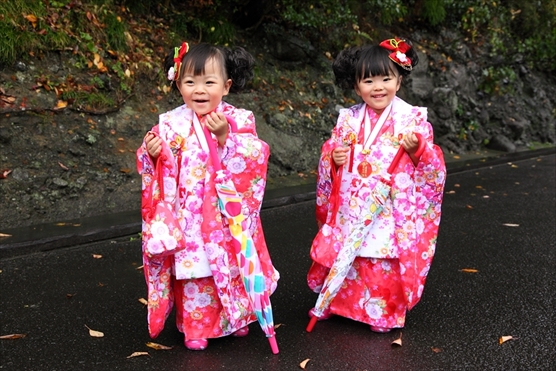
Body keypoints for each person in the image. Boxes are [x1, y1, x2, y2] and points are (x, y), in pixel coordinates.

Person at [136, 42, 279, 351]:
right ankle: (195, 327)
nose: (199, 90)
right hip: (188, 216)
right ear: (178, 84)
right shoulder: (170, 124)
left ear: (226, 86)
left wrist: (227, 137)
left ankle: (235, 320)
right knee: (196, 270)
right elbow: (147, 160)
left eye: (209, 82)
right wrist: (153, 154)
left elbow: (256, 155)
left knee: (230, 265)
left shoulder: (238, 119)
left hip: (223, 215)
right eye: (190, 82)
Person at [307, 37, 446, 333]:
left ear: (399, 81)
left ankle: (380, 312)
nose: (378, 87)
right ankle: (335, 302)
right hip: (352, 199)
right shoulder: (348, 119)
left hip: (389, 203)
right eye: (368, 80)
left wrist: (418, 149)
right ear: (357, 87)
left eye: (386, 78)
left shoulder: (412, 119)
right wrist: (333, 156)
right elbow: (331, 148)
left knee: (379, 254)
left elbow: (432, 164)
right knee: (348, 251)